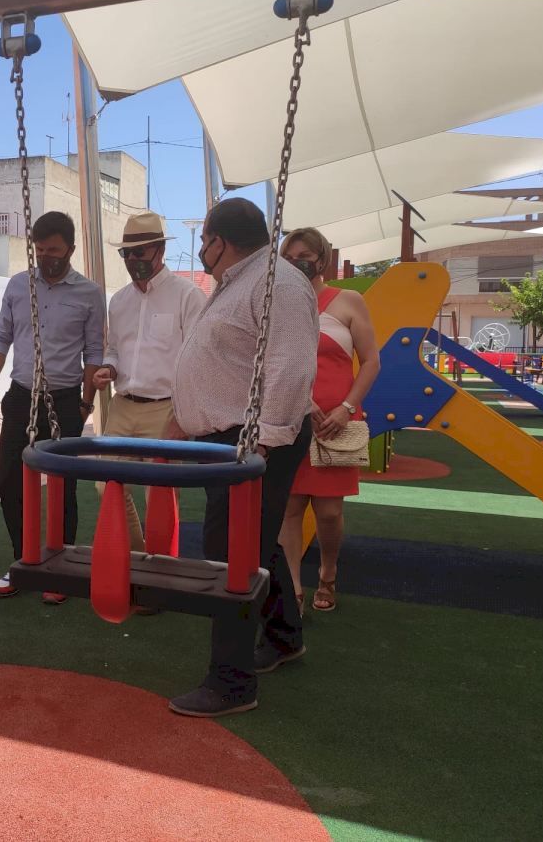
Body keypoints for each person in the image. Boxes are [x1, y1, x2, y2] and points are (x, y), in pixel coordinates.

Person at [166, 198, 318, 718]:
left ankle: (231, 682)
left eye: (202, 241)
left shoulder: (278, 283)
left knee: (231, 552)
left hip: (254, 441)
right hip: (231, 437)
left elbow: (291, 368)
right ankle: (283, 635)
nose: (201, 250)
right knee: (253, 542)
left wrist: (259, 446)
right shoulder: (239, 281)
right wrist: (185, 419)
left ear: (218, 241)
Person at [0, 211, 105, 601]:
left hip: (66, 401)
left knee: (63, 487)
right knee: (8, 480)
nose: (46, 256)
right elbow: (1, 336)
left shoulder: (89, 293)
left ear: (70, 249)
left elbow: (94, 352)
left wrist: (86, 403)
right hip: (22, 397)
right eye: (39, 250)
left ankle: (61, 569)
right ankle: (24, 561)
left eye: (53, 250)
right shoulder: (19, 285)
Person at [276, 228, 380, 614]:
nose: (295, 263)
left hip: (337, 420)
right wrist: (302, 402)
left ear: (322, 259)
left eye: (303, 256)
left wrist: (347, 407)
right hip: (291, 417)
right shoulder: (278, 304)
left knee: (330, 512)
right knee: (289, 507)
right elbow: (271, 363)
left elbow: (371, 361)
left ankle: (328, 573)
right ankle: (293, 586)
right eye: (288, 257)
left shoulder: (349, 301)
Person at [92, 211, 206, 550]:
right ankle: (139, 557)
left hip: (166, 407)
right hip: (123, 406)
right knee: (107, 485)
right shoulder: (119, 301)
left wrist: (181, 417)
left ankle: (160, 565)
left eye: (139, 252)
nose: (131, 259)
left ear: (160, 250)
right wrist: (109, 369)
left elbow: (197, 361)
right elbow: (114, 349)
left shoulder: (188, 295)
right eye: (125, 252)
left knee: (160, 495)